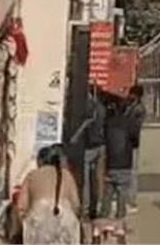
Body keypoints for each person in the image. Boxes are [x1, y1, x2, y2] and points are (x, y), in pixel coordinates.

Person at [16, 144, 80, 244]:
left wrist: (23, 227)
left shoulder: (32, 175)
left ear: (39, 161)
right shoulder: (67, 175)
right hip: (65, 219)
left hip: (39, 220)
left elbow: (21, 207)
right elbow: (76, 205)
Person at [101, 96, 138, 227]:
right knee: (122, 193)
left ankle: (104, 219)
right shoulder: (130, 123)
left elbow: (104, 139)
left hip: (110, 163)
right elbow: (135, 141)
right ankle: (120, 221)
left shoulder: (108, 123)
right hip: (125, 163)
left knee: (107, 193)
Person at [81, 87, 106, 219]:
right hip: (101, 145)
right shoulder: (101, 108)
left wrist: (75, 137)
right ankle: (97, 206)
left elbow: (85, 124)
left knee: (86, 179)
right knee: (98, 178)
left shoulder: (88, 106)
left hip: (89, 146)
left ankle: (86, 208)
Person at [126, 84, 147, 211]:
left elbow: (134, 126)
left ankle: (131, 200)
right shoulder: (131, 106)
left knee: (132, 172)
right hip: (128, 142)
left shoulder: (139, 109)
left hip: (133, 142)